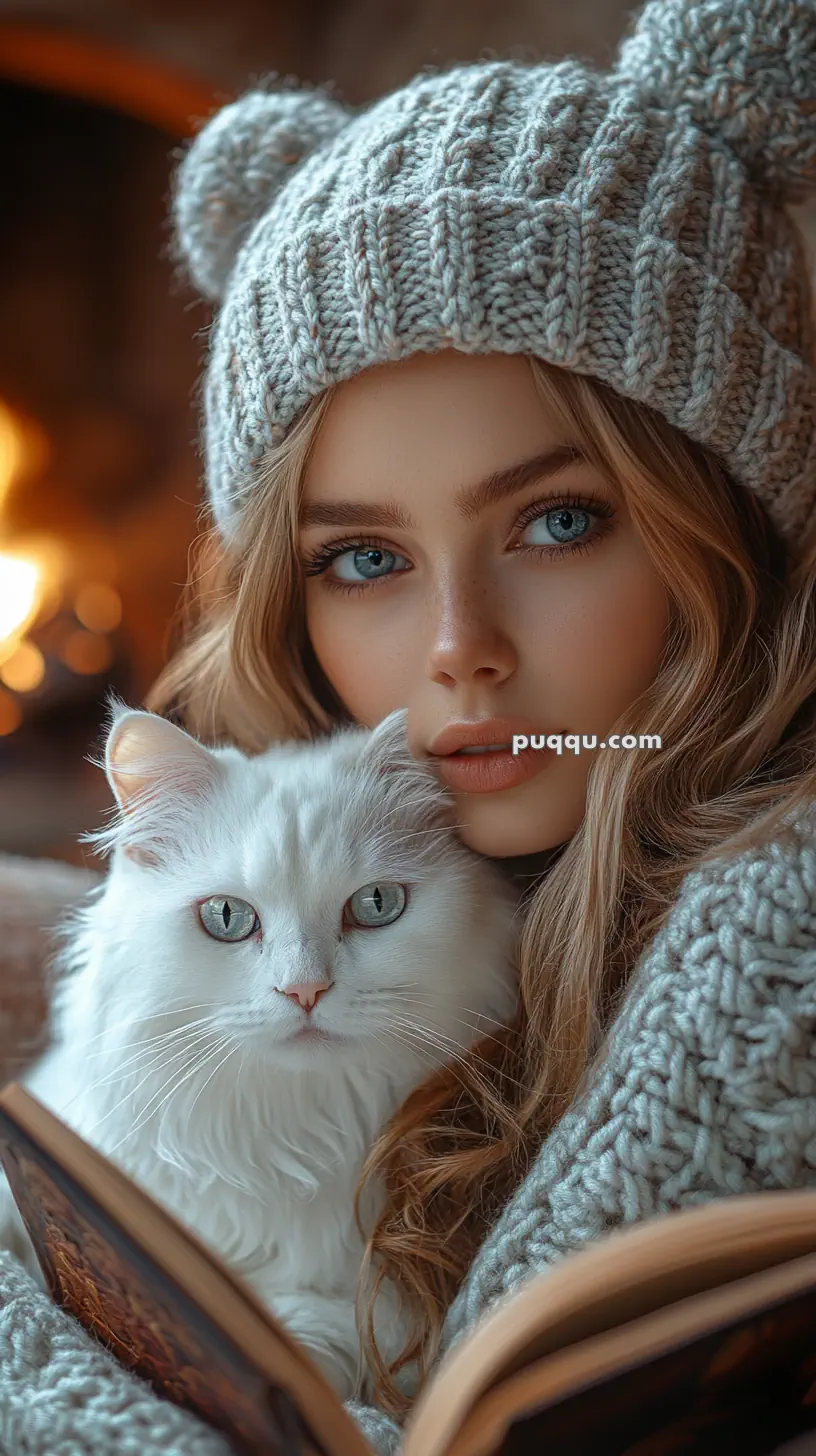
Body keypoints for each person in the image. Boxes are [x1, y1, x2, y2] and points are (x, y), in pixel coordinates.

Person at [1, 0, 816, 1451]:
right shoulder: (495, 826)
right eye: (363, 560)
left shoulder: (766, 924)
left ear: (733, 524)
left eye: (559, 522)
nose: (458, 653)